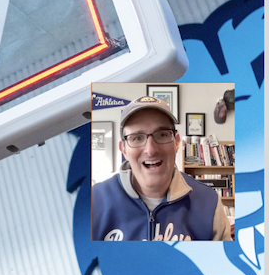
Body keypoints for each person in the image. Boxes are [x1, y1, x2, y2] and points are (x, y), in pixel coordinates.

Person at [91, 96, 232, 242]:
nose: (150, 150)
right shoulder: (93, 202)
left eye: (162, 134)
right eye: (137, 138)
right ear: (124, 149)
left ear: (177, 142)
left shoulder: (209, 202)